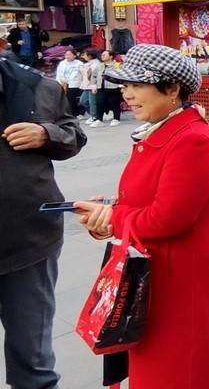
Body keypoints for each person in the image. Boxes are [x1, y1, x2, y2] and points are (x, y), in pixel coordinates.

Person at [74, 44, 209, 388]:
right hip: (151, 274)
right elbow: (146, 200)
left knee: (177, 372)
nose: (127, 95)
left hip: (176, 286)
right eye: (124, 86)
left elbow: (166, 218)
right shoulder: (160, 131)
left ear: (172, 89)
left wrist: (113, 216)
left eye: (136, 86)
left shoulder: (192, 140)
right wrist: (107, 213)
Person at [0, 56, 87, 389]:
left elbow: (74, 136)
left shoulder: (39, 87)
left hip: (28, 240)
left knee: (32, 357)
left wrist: (45, 134)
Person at [97, 50, 124, 127]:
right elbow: (94, 75)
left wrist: (121, 84)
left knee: (114, 102)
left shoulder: (117, 65)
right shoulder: (99, 65)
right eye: (102, 55)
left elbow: (120, 75)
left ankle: (116, 118)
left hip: (113, 87)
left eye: (104, 55)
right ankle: (99, 119)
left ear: (111, 56)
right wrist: (93, 85)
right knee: (100, 103)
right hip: (101, 87)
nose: (102, 56)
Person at [56, 48, 86, 116]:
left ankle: (78, 113)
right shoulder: (62, 63)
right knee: (67, 99)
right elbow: (59, 73)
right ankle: (70, 113)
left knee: (74, 99)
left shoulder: (79, 64)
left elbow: (83, 74)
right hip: (64, 83)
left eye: (70, 55)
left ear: (75, 56)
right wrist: (59, 82)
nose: (67, 56)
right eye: (66, 55)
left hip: (75, 83)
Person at [79, 49, 101, 125]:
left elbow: (95, 76)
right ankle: (93, 114)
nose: (83, 56)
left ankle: (94, 116)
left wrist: (94, 85)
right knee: (83, 101)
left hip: (92, 85)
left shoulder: (95, 64)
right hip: (87, 85)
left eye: (84, 55)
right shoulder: (89, 63)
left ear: (89, 56)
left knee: (92, 102)